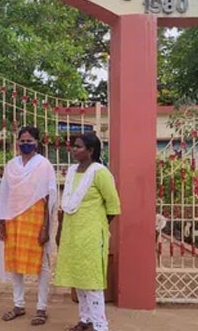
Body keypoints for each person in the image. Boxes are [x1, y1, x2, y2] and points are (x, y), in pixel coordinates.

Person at [55, 133, 120, 331]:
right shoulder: (72, 171)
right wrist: (60, 230)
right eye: (73, 146)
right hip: (72, 233)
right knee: (78, 278)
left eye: (78, 146)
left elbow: (113, 206)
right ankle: (85, 321)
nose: (73, 149)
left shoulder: (100, 173)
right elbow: (67, 204)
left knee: (92, 281)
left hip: (91, 235)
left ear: (90, 151)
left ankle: (100, 326)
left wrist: (97, 226)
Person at [0, 126, 57, 326]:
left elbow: (49, 197)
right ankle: (18, 304)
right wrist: (1, 222)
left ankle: (41, 308)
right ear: (17, 142)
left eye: (29, 141)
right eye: (22, 141)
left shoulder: (44, 165)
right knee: (15, 263)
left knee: (41, 264)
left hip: (36, 218)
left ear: (37, 142)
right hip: (13, 218)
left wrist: (46, 227)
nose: (25, 144)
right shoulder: (11, 165)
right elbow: (4, 194)